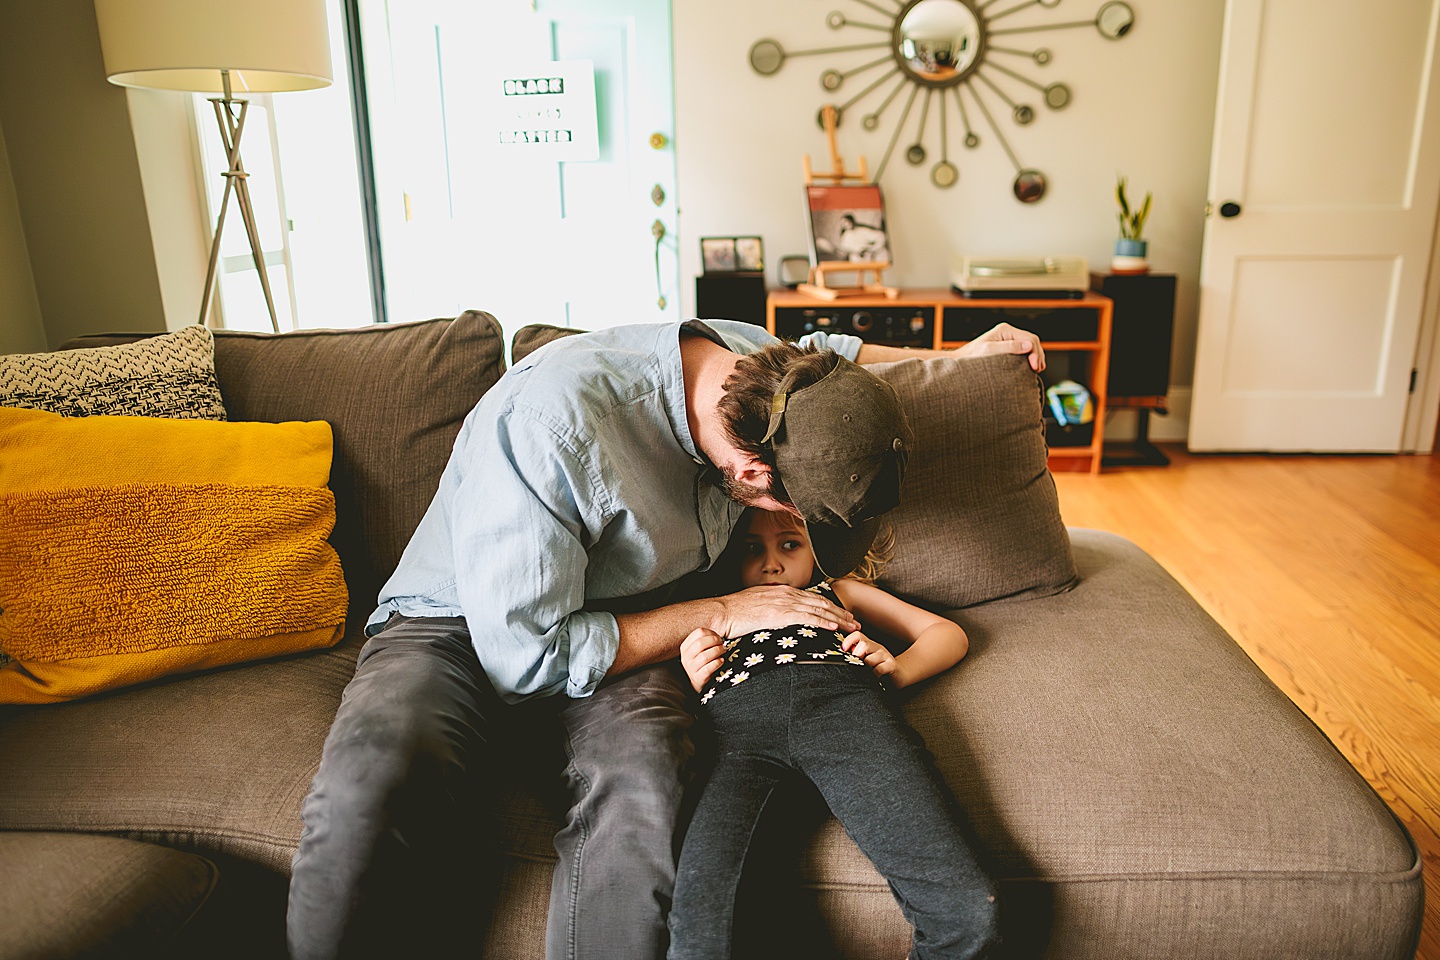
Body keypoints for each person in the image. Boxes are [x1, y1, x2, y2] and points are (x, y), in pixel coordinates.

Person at [286, 317, 1044, 960]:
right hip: (454, 623)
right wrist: (723, 609)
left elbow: (829, 351)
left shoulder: (761, 370)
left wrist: (964, 355)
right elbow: (527, 658)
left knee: (646, 775)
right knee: (372, 777)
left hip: (619, 622)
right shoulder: (552, 421)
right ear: (751, 474)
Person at [668, 508, 999, 960]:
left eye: (790, 544)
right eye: (751, 548)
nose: (772, 564)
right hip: (734, 732)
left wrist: (899, 668)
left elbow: (947, 633)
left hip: (845, 710)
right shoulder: (715, 604)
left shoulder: (836, 591)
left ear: (816, 551)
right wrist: (693, 663)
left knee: (967, 913)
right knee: (698, 927)